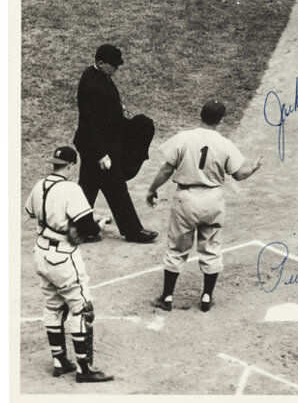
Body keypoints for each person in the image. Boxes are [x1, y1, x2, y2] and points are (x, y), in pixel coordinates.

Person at [146, 100, 263, 312]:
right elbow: (239, 174)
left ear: (201, 113)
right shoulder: (225, 144)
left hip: (186, 198)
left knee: (176, 248)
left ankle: (168, 297)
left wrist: (152, 189)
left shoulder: (183, 138)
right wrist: (253, 169)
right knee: (211, 248)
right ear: (220, 120)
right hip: (213, 200)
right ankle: (207, 296)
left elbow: (166, 170)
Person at [25, 146, 113, 382]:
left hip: (40, 252)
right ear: (72, 165)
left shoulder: (38, 185)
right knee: (82, 310)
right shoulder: (71, 189)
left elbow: (32, 212)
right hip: (63, 257)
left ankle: (59, 361)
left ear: (54, 163)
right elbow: (87, 228)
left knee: (53, 306)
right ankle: (84, 370)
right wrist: (100, 224)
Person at [74, 44, 158, 243]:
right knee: (116, 187)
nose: (116, 69)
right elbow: (90, 123)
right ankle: (132, 231)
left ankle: (80, 227)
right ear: (101, 63)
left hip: (96, 144)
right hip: (99, 146)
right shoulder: (93, 85)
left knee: (88, 186)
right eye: (113, 65)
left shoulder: (99, 76)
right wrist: (101, 154)